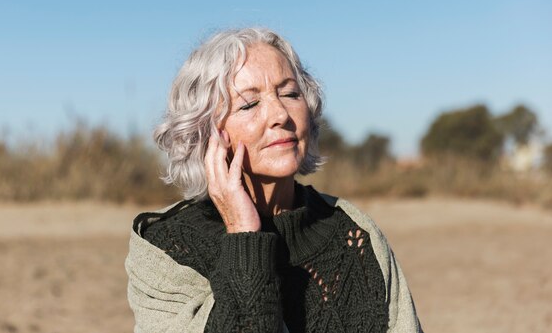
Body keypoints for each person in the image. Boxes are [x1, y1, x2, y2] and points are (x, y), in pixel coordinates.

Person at [125, 27, 423, 333]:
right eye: (249, 104)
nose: (280, 114)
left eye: (290, 93)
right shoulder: (165, 250)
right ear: (203, 132)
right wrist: (243, 236)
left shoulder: (354, 233)